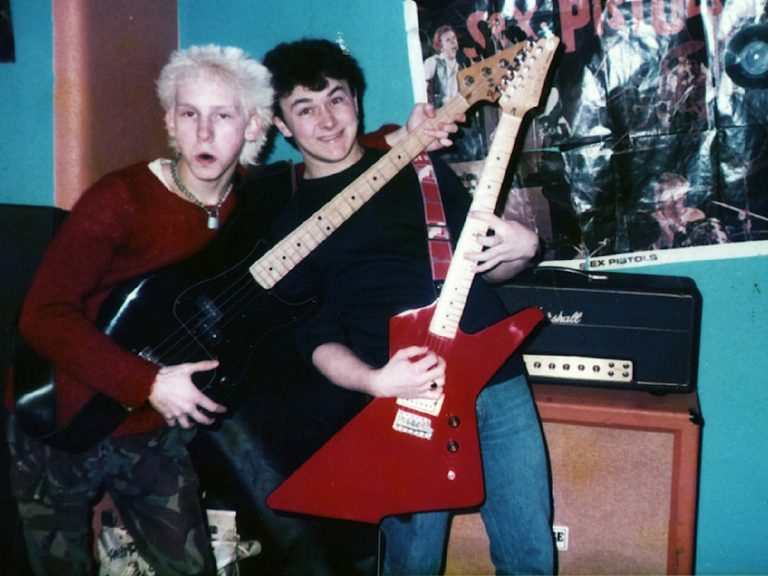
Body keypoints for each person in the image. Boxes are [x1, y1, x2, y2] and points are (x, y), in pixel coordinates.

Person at [264, 38, 555, 574]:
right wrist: (374, 381)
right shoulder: (291, 227)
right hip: (405, 398)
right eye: (305, 109)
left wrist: (523, 248)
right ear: (282, 125)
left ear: (357, 101)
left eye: (336, 99)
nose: (327, 120)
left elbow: (485, 268)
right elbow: (314, 335)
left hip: (496, 376)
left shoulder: (418, 168)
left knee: (531, 555)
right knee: (412, 562)